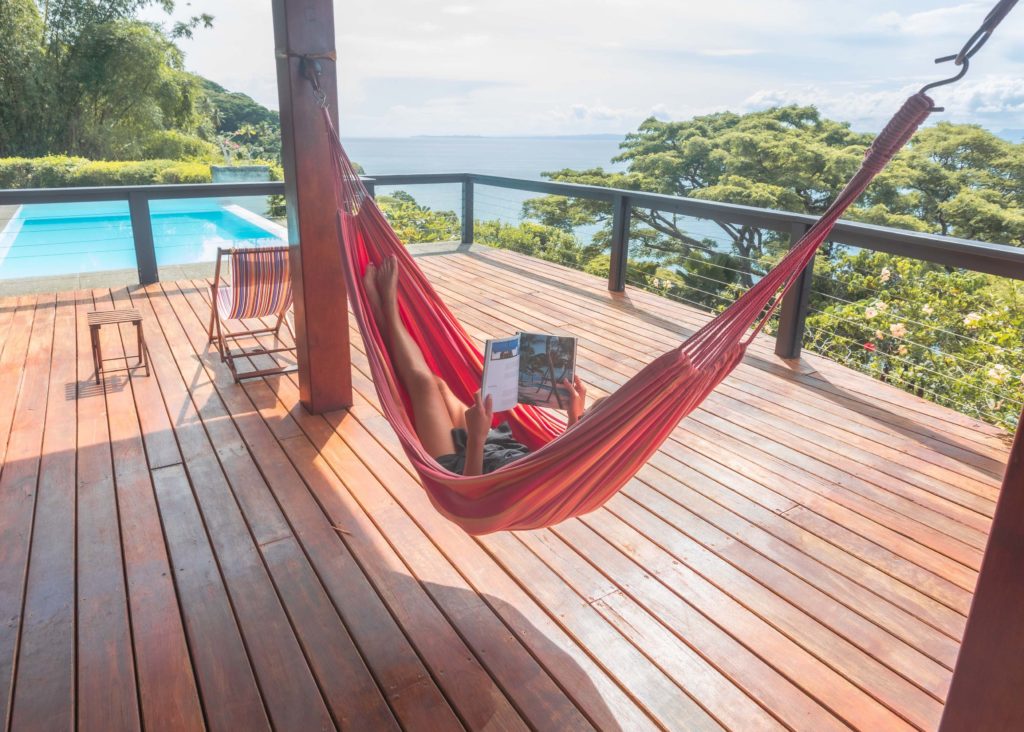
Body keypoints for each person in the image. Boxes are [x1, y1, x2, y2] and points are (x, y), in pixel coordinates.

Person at [363, 255, 597, 476]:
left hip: (463, 467)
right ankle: (380, 314)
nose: (583, 414)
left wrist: (476, 438)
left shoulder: (566, 480)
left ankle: (387, 308)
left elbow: (475, 492)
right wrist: (572, 417)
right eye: (587, 413)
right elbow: (561, 457)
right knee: (438, 384)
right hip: (495, 445)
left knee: (424, 384)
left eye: (586, 416)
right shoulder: (580, 458)